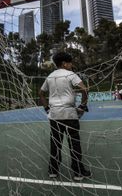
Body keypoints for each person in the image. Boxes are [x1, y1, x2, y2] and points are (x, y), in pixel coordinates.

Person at [39, 52, 91, 181]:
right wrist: (82, 106)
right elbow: (85, 90)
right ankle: (78, 172)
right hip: (69, 114)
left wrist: (46, 108)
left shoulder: (50, 76)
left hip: (54, 115)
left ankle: (53, 171)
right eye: (70, 62)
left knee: (55, 143)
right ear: (64, 63)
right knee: (74, 143)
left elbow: (41, 93)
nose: (71, 65)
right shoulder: (70, 74)